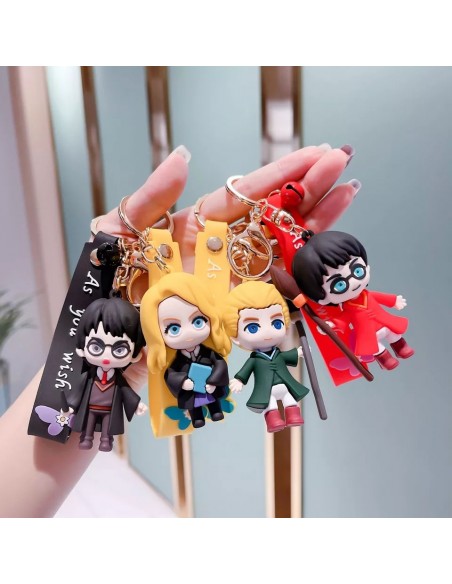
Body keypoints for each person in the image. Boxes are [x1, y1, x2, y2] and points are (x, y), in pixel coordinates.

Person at [0, 143, 358, 517]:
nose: (189, 330)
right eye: (173, 326)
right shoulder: (154, 345)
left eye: (198, 321)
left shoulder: (212, 344)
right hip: (178, 389)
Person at [291, 230, 414, 370]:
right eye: (339, 284)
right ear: (322, 297)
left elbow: (382, 298)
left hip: (384, 322)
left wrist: (394, 301)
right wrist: (331, 326)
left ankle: (401, 347)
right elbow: (343, 319)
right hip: (368, 334)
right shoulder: (347, 308)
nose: (353, 282)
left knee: (394, 334)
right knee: (375, 347)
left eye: (357, 271)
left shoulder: (368, 295)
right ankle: (385, 359)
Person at [141, 272, 231, 429]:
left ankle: (216, 411)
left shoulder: (208, 353)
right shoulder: (178, 360)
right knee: (193, 403)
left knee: (213, 399)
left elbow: (220, 364)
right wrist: (183, 382)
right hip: (191, 390)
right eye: (173, 328)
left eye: (198, 321)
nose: (188, 333)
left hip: (209, 386)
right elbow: (170, 374)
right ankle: (197, 418)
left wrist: (214, 380)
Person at [224, 281, 309, 433]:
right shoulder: (254, 360)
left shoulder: (278, 354)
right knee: (270, 405)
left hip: (285, 386)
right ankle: (273, 420)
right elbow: (245, 371)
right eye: (253, 327)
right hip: (266, 390)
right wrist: (239, 380)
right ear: (235, 338)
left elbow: (287, 356)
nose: (267, 332)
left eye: (276, 323)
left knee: (290, 400)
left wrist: (299, 353)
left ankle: (293, 415)